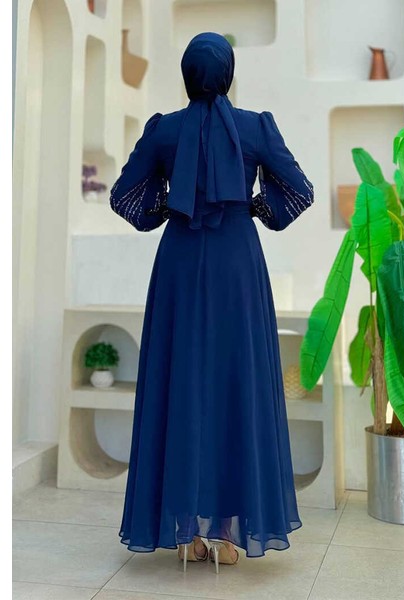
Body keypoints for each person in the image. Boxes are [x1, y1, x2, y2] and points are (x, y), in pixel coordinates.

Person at [110, 31, 314, 573]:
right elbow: (299, 191)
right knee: (233, 385)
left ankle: (185, 534)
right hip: (236, 266)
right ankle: (225, 537)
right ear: (228, 73)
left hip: (179, 265)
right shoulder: (255, 127)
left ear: (186, 75)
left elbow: (125, 197)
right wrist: (251, 206)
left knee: (182, 384)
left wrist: (168, 207)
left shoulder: (164, 129)